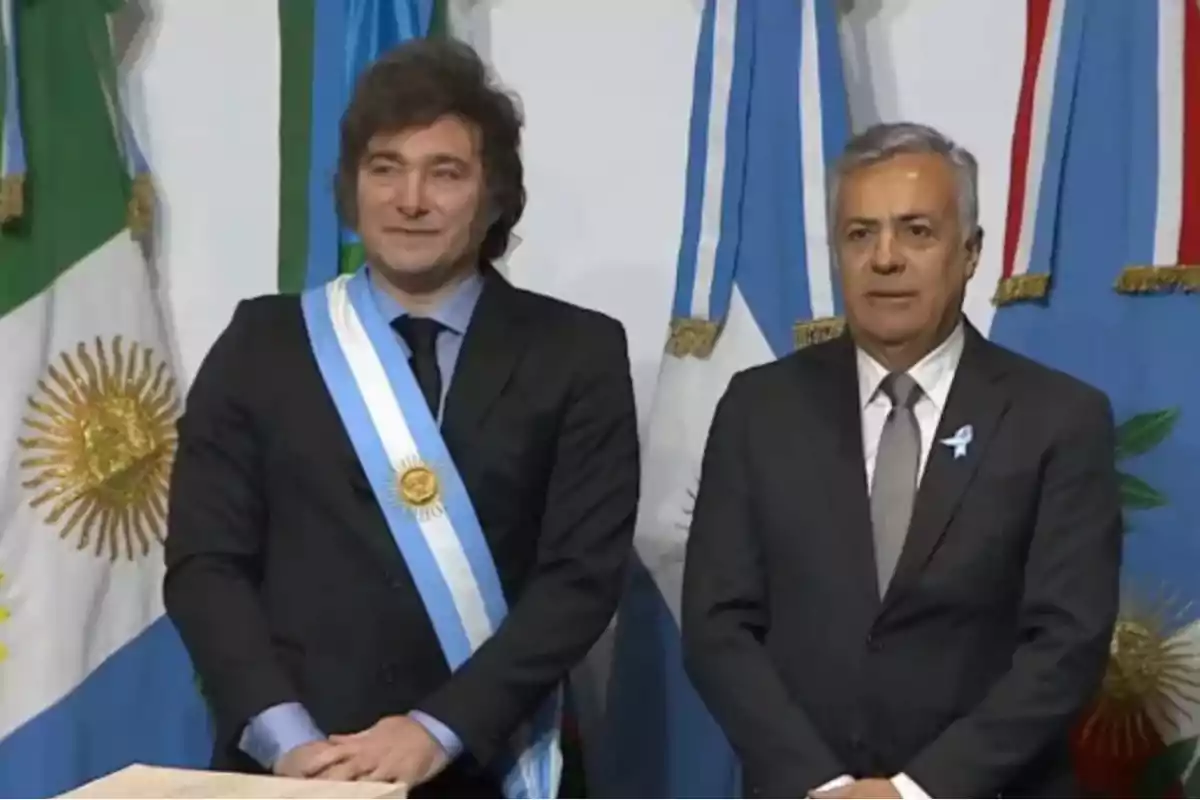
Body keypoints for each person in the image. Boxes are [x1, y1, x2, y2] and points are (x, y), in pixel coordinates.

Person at [164, 38, 639, 798]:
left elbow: (579, 581)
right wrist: (289, 743)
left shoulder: (576, 352)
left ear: (493, 197)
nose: (409, 200)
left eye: (444, 173)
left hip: (490, 763)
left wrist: (437, 730)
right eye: (385, 168)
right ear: (353, 190)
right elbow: (204, 564)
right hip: (292, 770)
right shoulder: (262, 342)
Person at [680, 122, 1121, 799]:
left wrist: (916, 791)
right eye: (861, 234)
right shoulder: (758, 408)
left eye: (917, 232)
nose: (885, 258)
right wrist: (824, 786)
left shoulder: (1059, 419)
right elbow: (718, 625)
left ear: (970, 252)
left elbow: (1067, 645)